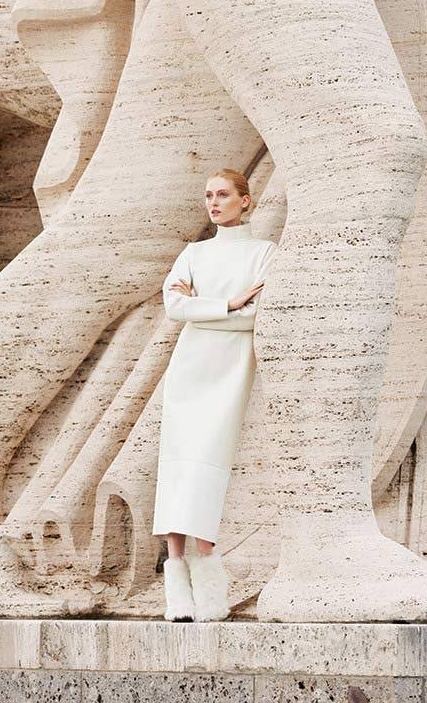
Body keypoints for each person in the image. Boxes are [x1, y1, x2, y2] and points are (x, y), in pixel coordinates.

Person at [156, 168, 277, 621]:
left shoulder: (265, 254)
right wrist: (230, 303)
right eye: (208, 195)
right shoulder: (192, 253)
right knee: (177, 467)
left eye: (223, 194)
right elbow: (174, 308)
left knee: (210, 469)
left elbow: (258, 316)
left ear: (245, 200)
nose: (214, 202)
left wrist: (203, 308)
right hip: (189, 370)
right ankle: (176, 584)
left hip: (231, 373)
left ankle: (208, 586)